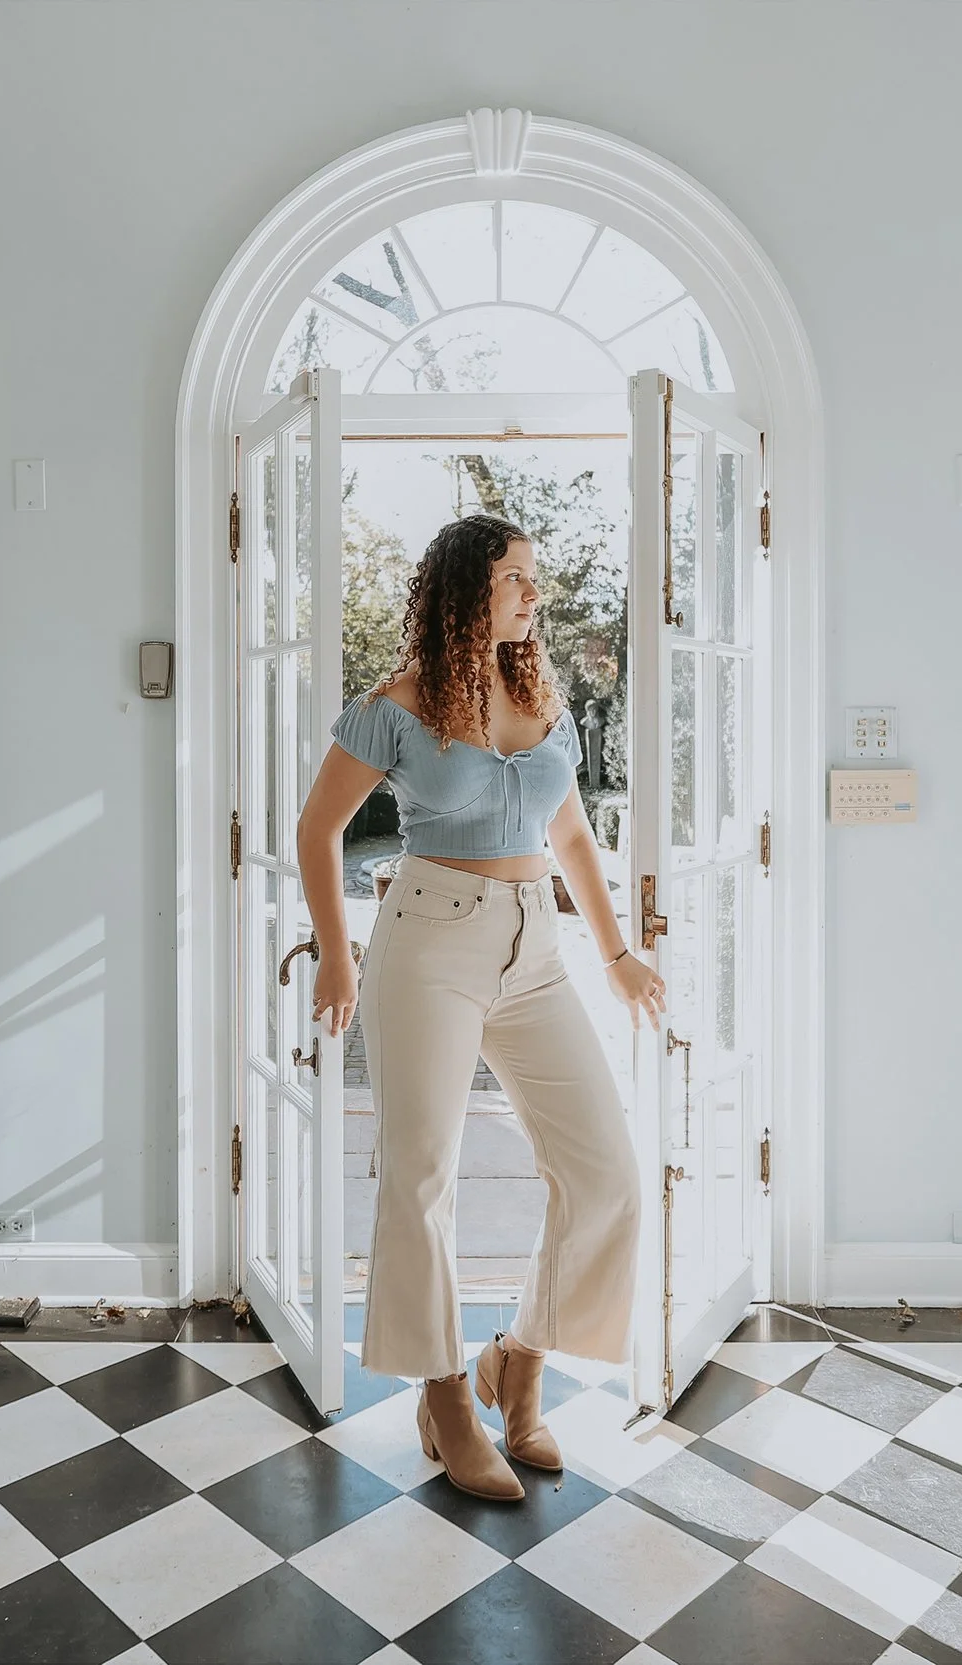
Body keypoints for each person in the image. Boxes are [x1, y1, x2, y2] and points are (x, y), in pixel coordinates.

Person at [296, 512, 666, 1501]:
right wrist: (335, 955)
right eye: (513, 580)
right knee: (420, 1180)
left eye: (533, 579)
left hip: (534, 949)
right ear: (466, 590)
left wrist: (617, 954)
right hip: (428, 945)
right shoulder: (396, 705)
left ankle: (519, 1362)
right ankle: (447, 1398)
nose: (532, 596)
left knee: (606, 1175)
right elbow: (317, 829)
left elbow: (572, 839)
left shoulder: (542, 694)